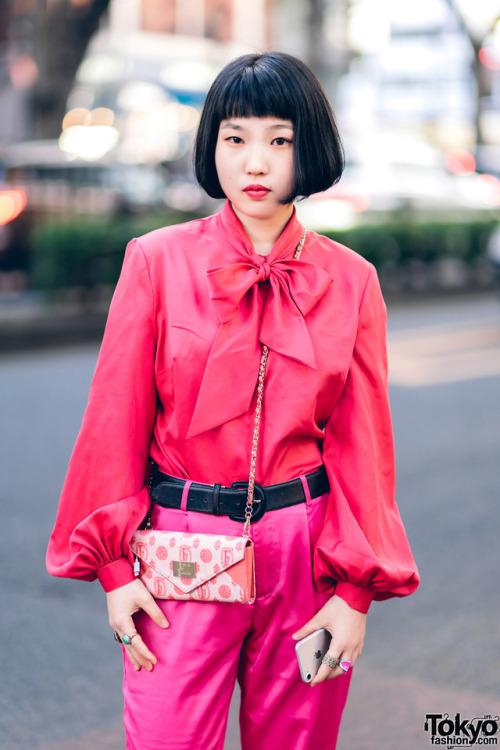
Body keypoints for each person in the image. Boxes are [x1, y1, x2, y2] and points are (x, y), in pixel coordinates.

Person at [47, 51, 419, 750]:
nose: (256, 163)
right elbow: (113, 422)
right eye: (235, 138)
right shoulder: (155, 262)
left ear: (307, 148)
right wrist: (114, 570)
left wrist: (355, 593)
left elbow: (363, 446)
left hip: (307, 560)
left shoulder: (353, 281)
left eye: (278, 140)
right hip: (179, 552)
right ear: (211, 144)